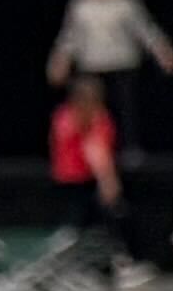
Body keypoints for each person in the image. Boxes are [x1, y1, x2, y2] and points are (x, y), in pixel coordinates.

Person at [44, 0, 173, 151]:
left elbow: (146, 32)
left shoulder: (126, 3)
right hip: (92, 66)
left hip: (122, 64)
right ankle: (92, 151)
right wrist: (59, 61)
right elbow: (69, 37)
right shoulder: (81, 6)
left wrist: (163, 52)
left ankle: (128, 149)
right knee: (91, 110)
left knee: (125, 110)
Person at [47, 75, 127, 242]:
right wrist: (108, 181)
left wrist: (107, 181)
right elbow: (93, 150)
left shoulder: (101, 118)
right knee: (72, 228)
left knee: (100, 226)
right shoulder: (64, 117)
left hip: (90, 181)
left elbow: (100, 151)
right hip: (70, 182)